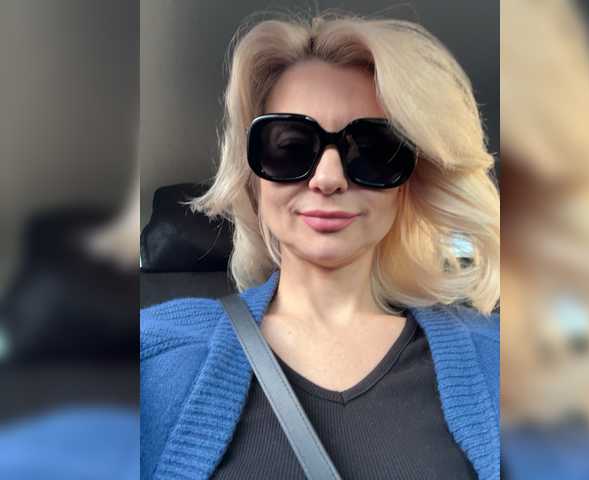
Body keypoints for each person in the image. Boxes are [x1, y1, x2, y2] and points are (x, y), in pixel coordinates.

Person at [141, 12, 500, 480]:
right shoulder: (154, 352)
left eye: (373, 150)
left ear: (408, 183)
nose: (328, 178)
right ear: (253, 177)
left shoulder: (498, 360)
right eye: (290, 146)